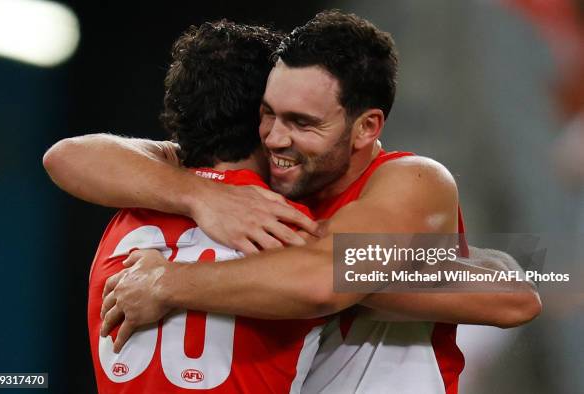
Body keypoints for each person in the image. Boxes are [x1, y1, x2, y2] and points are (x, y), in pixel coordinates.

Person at [44, 10, 541, 394]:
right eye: (267, 114)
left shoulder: (407, 178)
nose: (276, 138)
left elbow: (516, 293)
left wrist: (171, 281)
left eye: (302, 123)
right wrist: (201, 195)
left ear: (366, 127)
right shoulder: (248, 191)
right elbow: (68, 155)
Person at [82, 21, 325, 393]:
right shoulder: (296, 228)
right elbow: (441, 276)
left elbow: (61, 155)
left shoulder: (124, 219)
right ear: (267, 117)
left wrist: (170, 282)